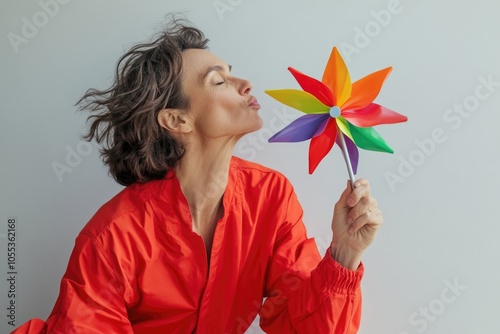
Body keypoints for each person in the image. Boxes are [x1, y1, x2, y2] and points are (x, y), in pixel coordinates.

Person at [12, 18, 382, 334]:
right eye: (218, 81)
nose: (246, 84)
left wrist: (344, 254)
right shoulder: (112, 237)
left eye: (232, 74)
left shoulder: (272, 196)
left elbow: (301, 327)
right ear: (177, 119)